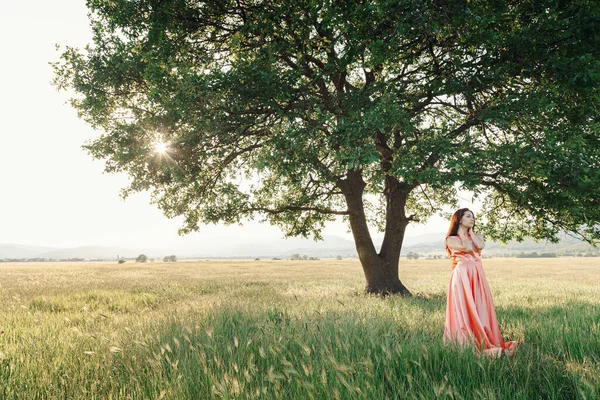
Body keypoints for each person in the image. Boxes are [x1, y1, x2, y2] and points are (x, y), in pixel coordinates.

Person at [444, 208, 516, 357]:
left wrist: (469, 233)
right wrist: (462, 233)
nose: (472, 219)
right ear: (459, 219)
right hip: (462, 275)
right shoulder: (451, 239)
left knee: (481, 307)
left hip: (477, 274)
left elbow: (479, 246)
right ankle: (466, 340)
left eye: (473, 217)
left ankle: (484, 338)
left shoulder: (477, 236)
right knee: (464, 307)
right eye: (468, 216)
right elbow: (468, 247)